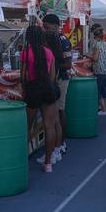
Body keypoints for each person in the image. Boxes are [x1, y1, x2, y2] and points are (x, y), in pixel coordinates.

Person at [20, 25, 59, 172]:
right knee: (49, 126)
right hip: (47, 89)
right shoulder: (49, 52)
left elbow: (23, 75)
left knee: (27, 127)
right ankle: (48, 163)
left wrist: (24, 89)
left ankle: (21, 159)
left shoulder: (25, 52)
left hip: (32, 90)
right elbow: (53, 76)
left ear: (28, 37)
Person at [42, 14, 72, 158]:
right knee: (54, 114)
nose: (44, 29)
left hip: (61, 79)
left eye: (47, 27)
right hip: (53, 80)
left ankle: (61, 144)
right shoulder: (49, 38)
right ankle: (56, 145)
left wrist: (51, 64)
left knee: (59, 111)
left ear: (55, 25)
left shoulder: (63, 40)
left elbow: (68, 64)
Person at [88, 26, 106, 115]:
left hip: (99, 70)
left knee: (98, 90)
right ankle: (105, 110)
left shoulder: (96, 44)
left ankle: (103, 109)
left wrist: (87, 55)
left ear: (96, 37)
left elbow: (95, 58)